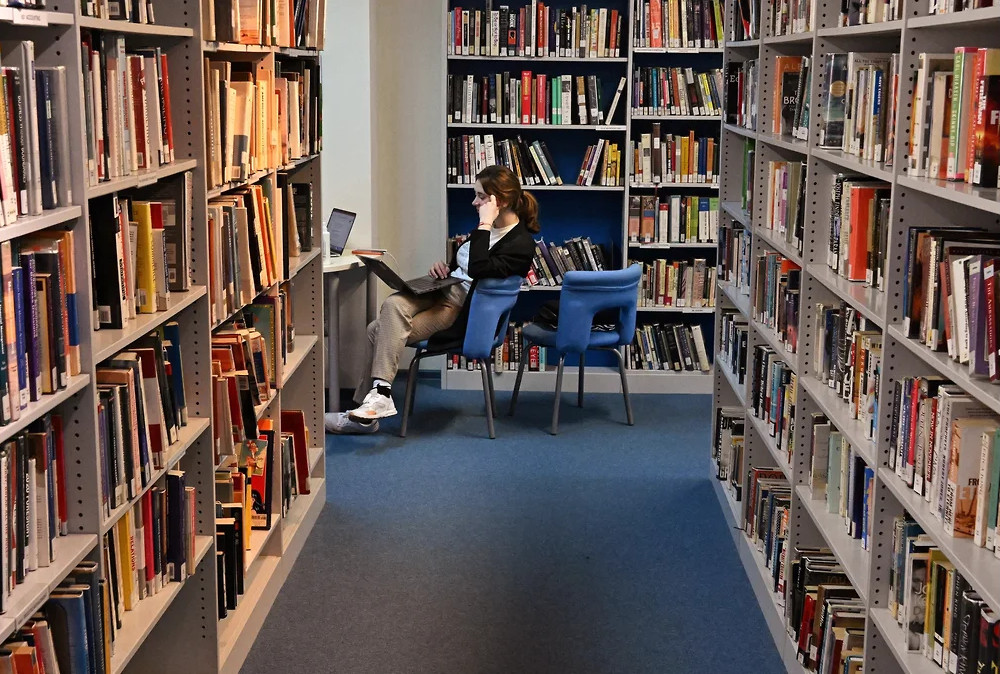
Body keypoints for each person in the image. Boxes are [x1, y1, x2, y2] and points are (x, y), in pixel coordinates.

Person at [325, 165, 539, 434]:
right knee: (393, 303)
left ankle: (363, 416)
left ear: (501, 201)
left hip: (460, 310)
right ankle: (378, 398)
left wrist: (484, 224)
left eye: (481, 196)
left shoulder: (520, 244)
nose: (475, 202)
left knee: (376, 330)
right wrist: (445, 269)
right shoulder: (487, 229)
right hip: (441, 289)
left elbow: (479, 269)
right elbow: (465, 266)